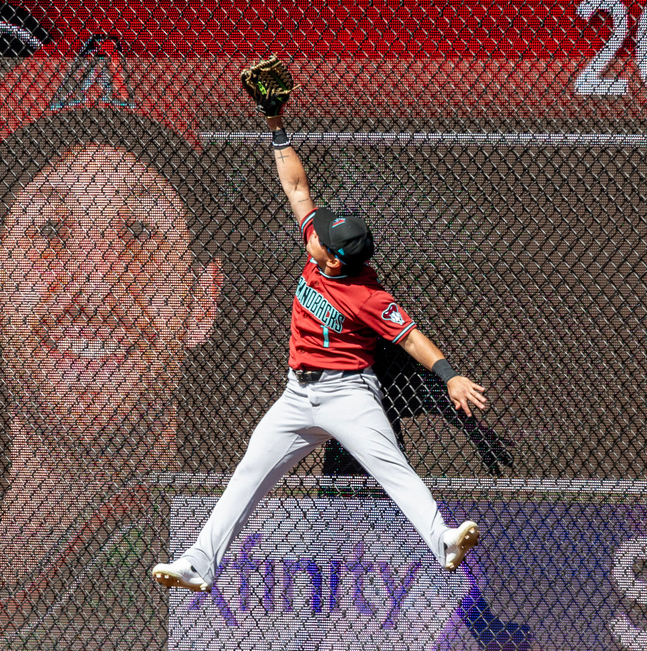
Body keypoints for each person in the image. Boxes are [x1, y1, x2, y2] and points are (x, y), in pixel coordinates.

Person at [152, 70, 486, 593]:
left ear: (334, 257)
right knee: (249, 475)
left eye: (325, 235)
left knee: (392, 470)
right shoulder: (320, 248)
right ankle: (199, 562)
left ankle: (442, 540)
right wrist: (275, 121)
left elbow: (412, 338)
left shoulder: (367, 295)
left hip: (348, 393)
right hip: (296, 394)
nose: (315, 227)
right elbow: (297, 186)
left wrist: (451, 376)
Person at [0, 106, 223, 592]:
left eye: (140, 233)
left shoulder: (264, 598)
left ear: (201, 301)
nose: (95, 281)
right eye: (48, 231)